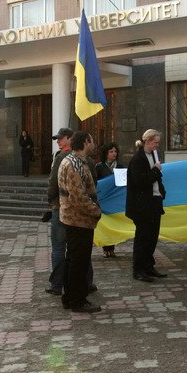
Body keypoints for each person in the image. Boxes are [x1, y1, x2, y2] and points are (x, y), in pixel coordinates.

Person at [45, 127, 98, 297]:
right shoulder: (71, 160)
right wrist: (95, 210)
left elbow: (54, 185)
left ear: (70, 139)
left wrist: (53, 202)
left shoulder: (70, 159)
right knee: (77, 252)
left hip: (68, 211)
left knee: (72, 251)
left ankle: (60, 286)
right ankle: (80, 287)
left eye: (61, 139)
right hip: (74, 212)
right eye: (57, 139)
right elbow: (84, 191)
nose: (58, 142)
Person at [58, 131, 102, 313]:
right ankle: (77, 300)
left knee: (73, 260)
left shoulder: (75, 161)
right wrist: (96, 211)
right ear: (85, 142)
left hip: (75, 218)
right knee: (79, 262)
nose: (94, 144)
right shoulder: (74, 164)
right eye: (92, 140)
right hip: (78, 219)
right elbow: (78, 197)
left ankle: (70, 297)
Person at [126, 129, 167, 283]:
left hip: (154, 201)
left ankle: (149, 266)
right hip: (142, 205)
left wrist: (161, 191)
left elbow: (156, 179)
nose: (157, 145)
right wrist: (156, 170)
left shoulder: (153, 155)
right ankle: (138, 270)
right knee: (142, 238)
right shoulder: (137, 159)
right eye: (155, 142)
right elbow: (141, 182)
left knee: (153, 237)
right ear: (147, 141)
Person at [95, 142, 123, 257]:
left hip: (116, 200)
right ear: (106, 154)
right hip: (104, 200)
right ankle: (106, 248)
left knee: (114, 224)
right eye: (111, 151)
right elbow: (97, 183)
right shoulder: (99, 167)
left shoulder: (120, 166)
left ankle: (112, 248)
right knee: (105, 224)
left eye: (115, 151)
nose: (114, 154)